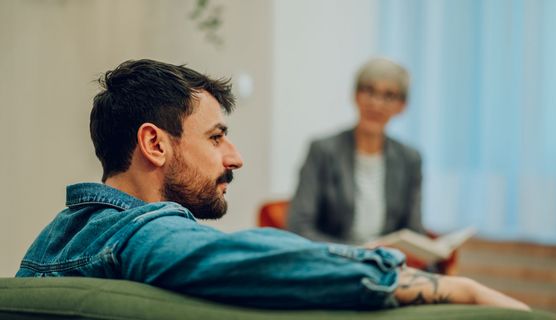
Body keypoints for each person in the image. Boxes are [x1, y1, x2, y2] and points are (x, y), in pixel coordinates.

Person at [16, 59, 528, 311]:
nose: (236, 157)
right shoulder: (140, 234)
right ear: (155, 144)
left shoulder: (55, 238)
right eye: (217, 137)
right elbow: (262, 258)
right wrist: (454, 287)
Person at [289, 58, 424, 245]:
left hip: (386, 264)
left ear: (401, 106)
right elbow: (299, 226)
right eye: (369, 91)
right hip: (335, 261)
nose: (376, 104)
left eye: (389, 95)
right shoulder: (322, 151)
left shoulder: (410, 159)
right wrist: (358, 255)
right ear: (355, 95)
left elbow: (414, 232)